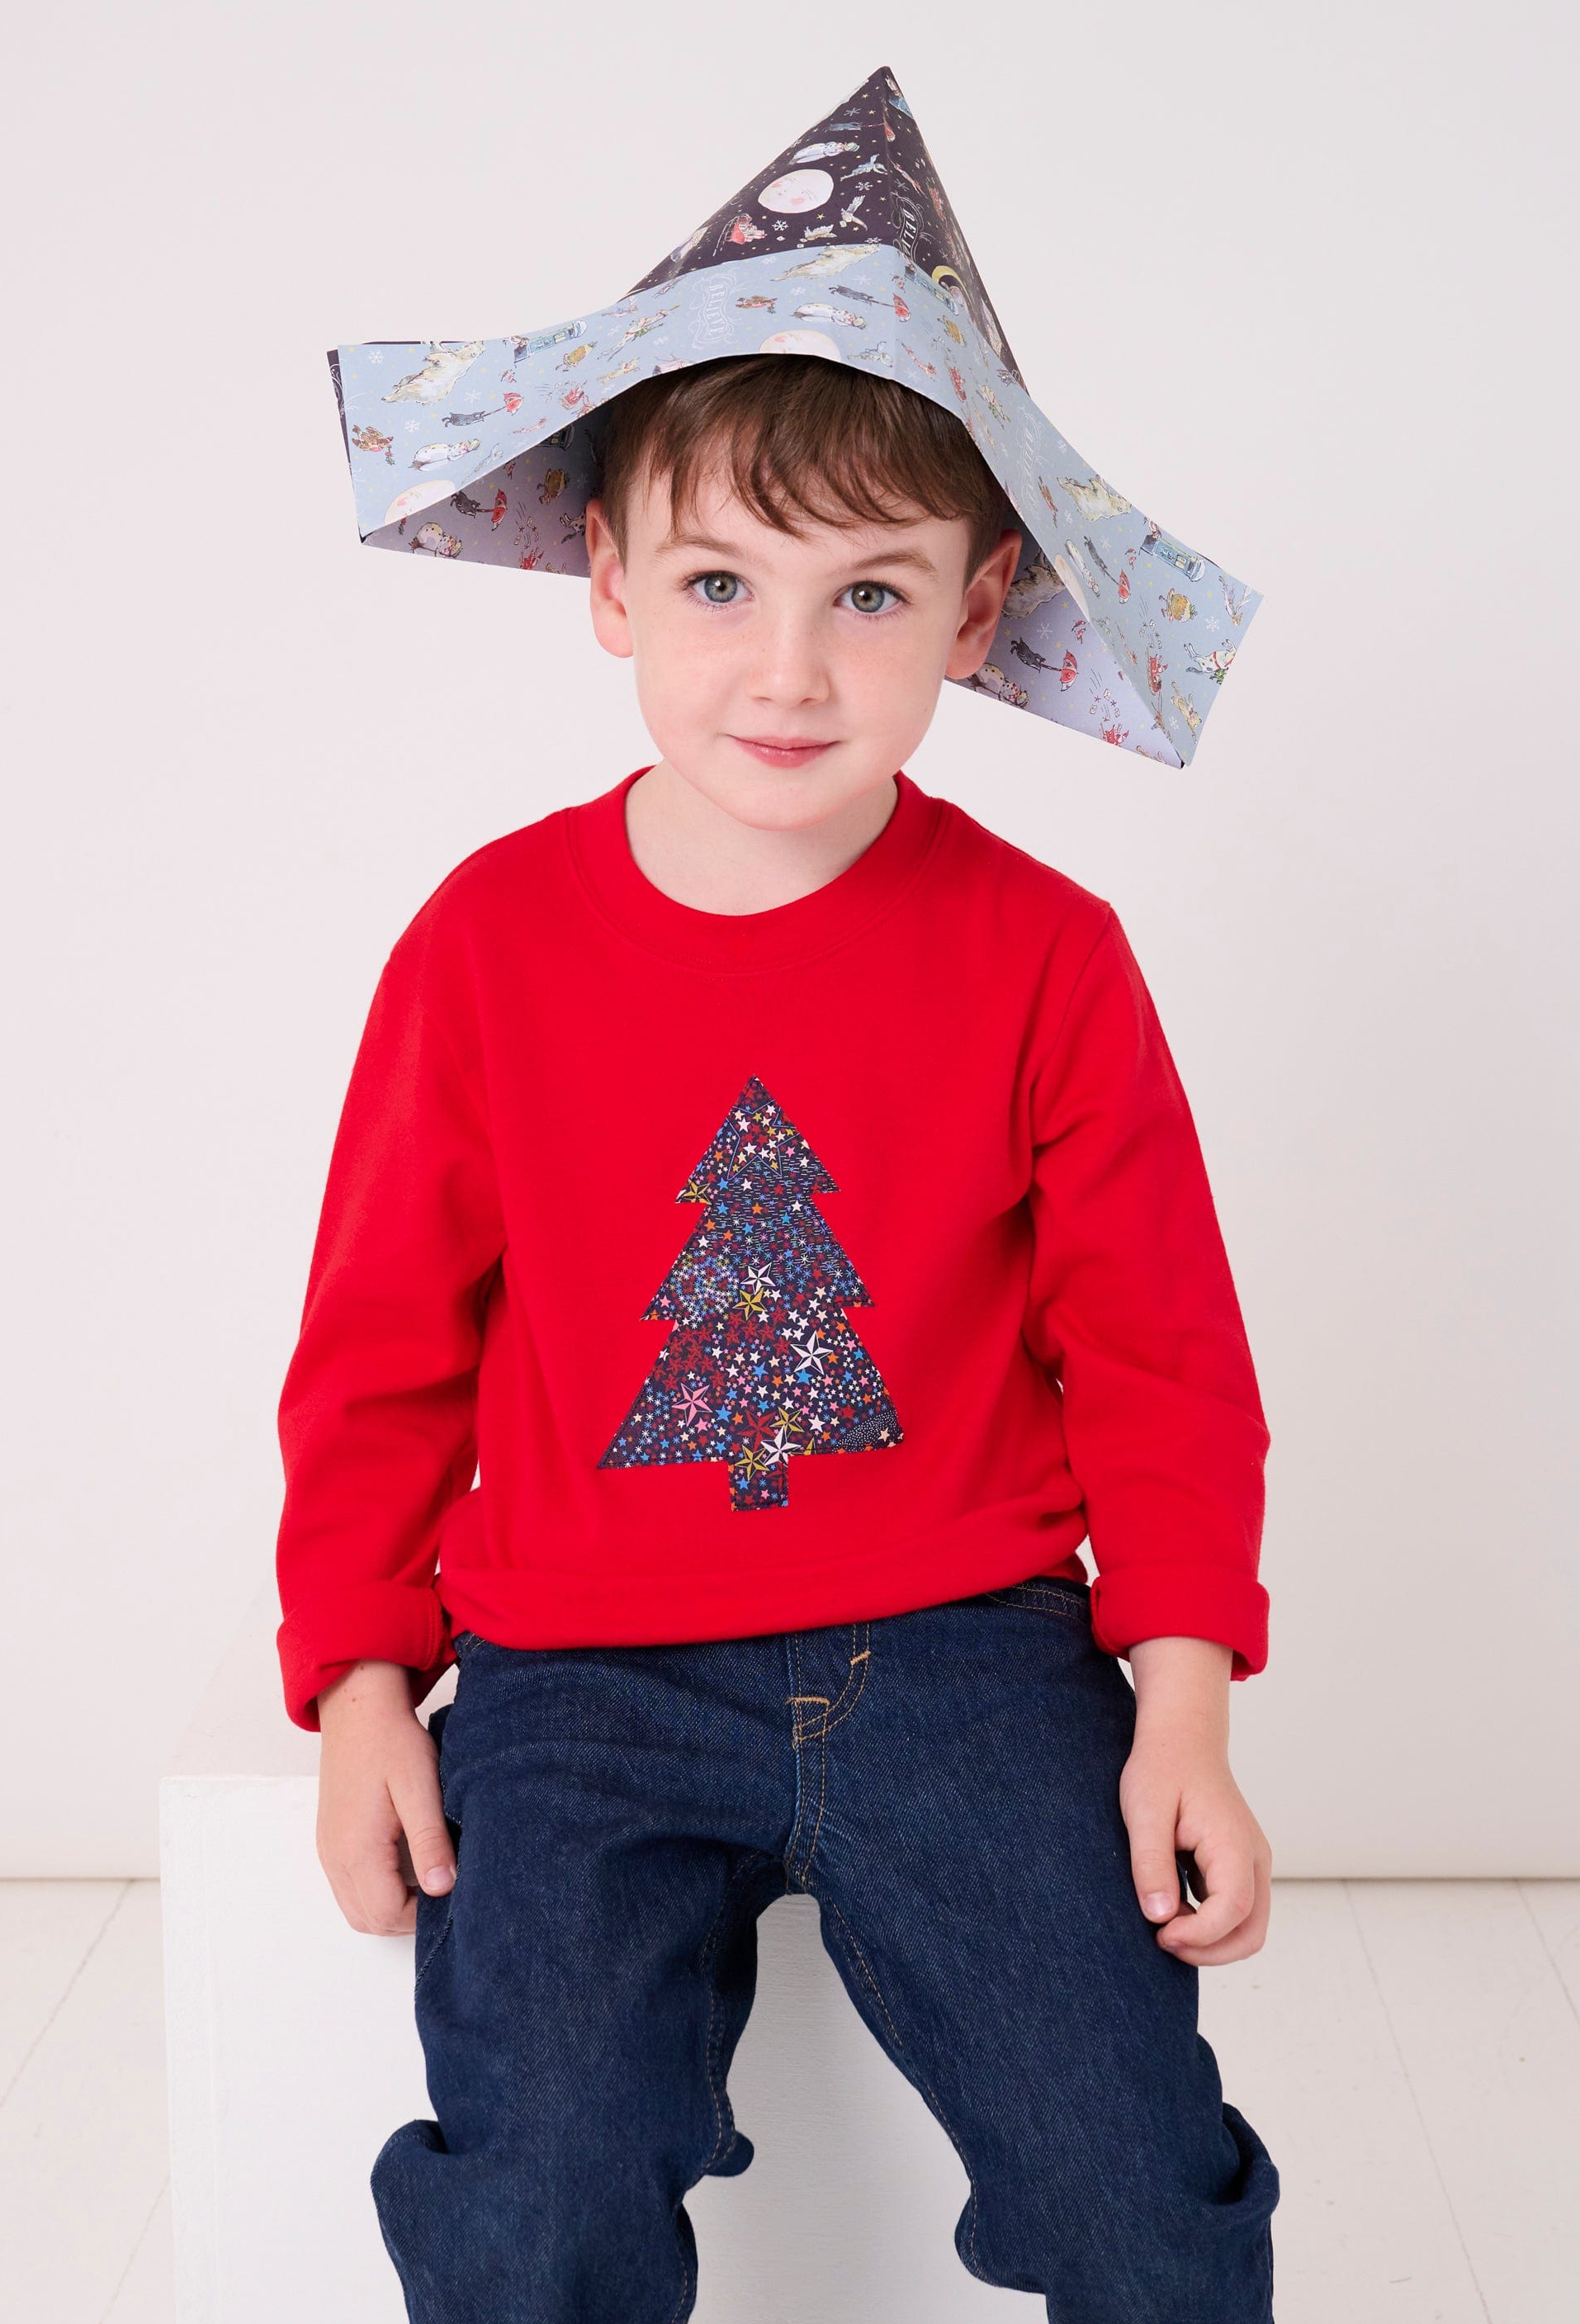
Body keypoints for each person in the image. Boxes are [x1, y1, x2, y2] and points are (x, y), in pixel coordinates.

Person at [272, 347, 1282, 2323]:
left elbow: (1160, 1356)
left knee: (1131, 2185)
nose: (791, 672)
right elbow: (379, 1346)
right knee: (540, 2186)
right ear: (608, 582)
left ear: (979, 608)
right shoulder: (482, 944)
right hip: (577, 1679)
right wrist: (364, 1686)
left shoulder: (1046, 954)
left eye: (871, 595)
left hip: (970, 1659)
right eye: (723, 584)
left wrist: (1183, 1708)